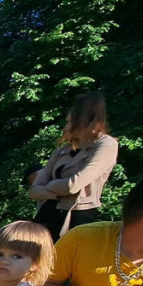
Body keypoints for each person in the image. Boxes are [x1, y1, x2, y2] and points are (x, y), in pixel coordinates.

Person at [30, 91, 119, 242]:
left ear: (84, 121)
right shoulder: (61, 151)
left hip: (78, 218)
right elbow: (34, 191)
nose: (66, 127)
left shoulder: (106, 145)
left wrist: (49, 187)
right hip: (47, 216)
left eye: (70, 121)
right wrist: (58, 192)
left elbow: (74, 185)